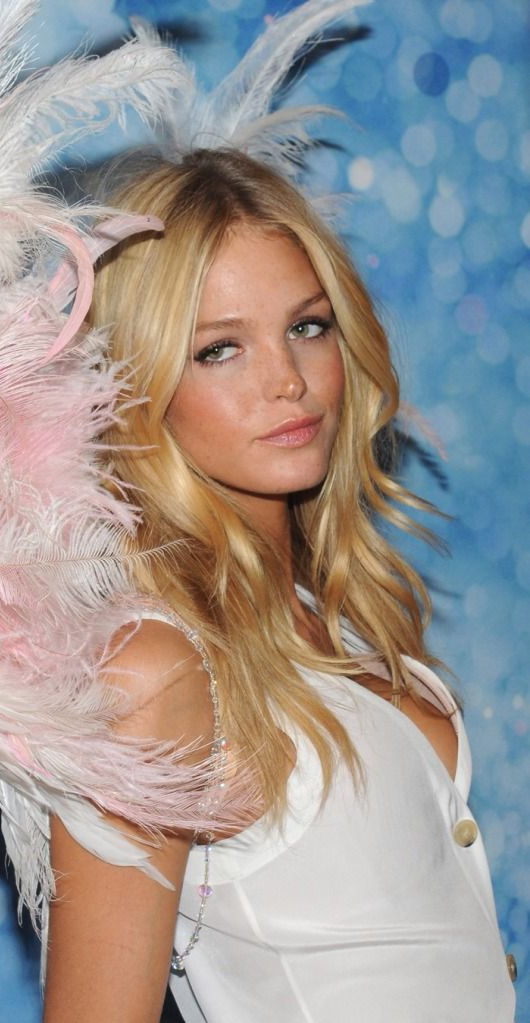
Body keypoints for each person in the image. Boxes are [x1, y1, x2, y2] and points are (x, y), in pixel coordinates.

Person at [42, 147, 517, 1021]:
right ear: (137, 386)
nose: (288, 380)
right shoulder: (154, 671)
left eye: (307, 325)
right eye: (219, 348)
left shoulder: (335, 621)